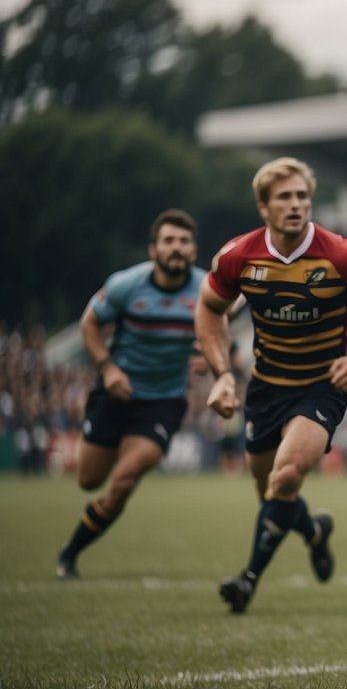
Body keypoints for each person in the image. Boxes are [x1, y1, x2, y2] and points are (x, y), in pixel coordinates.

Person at [196, 157, 347, 614]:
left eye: (302, 196)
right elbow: (210, 308)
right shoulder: (238, 255)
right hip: (265, 389)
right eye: (284, 197)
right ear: (263, 207)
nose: (296, 205)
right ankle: (314, 532)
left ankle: (247, 581)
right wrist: (221, 377)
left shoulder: (342, 253)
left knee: (287, 475)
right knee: (272, 494)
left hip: (322, 388)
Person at [55, 209, 205, 579]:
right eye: (169, 241)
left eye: (184, 242)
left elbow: (220, 326)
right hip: (115, 393)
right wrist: (107, 368)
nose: (177, 248)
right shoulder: (125, 285)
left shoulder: (206, 290)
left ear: (194, 250)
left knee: (122, 483)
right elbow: (89, 323)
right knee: (88, 480)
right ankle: (71, 549)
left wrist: (208, 354)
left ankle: (70, 554)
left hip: (164, 402)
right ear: (153, 249)